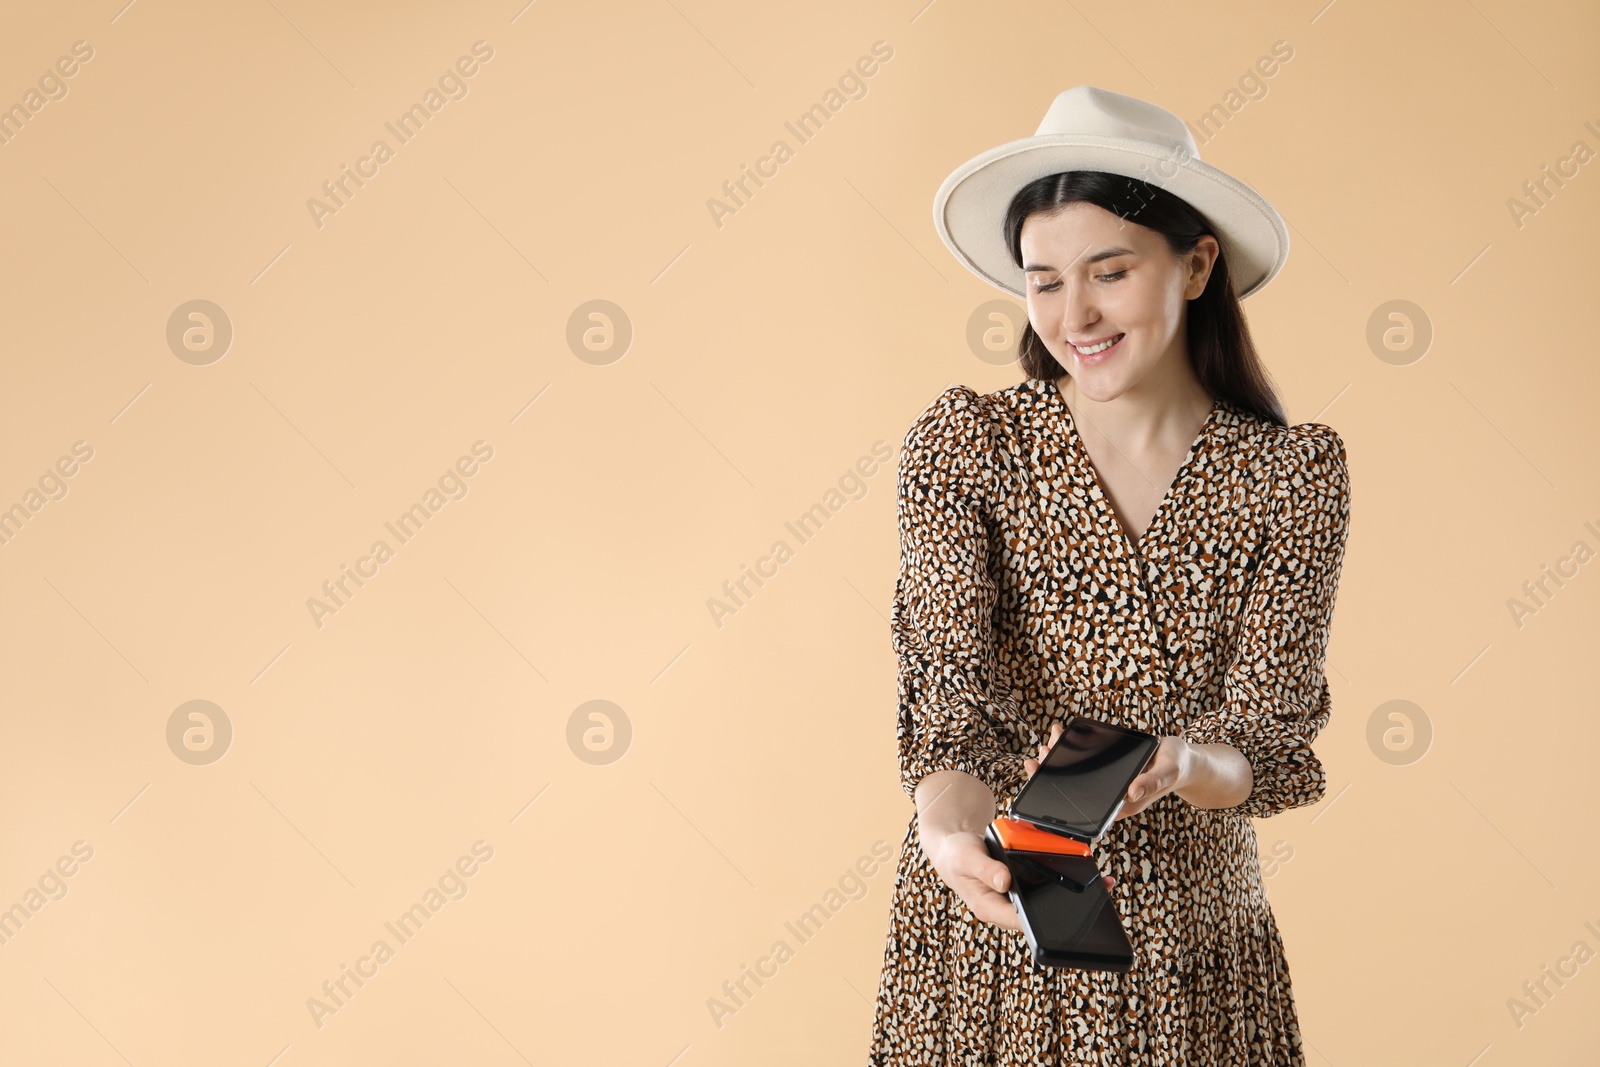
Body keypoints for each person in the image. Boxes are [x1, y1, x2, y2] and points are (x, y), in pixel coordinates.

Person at [868, 87, 1353, 1064]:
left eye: (1109, 271)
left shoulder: (1289, 474)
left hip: (1197, 955)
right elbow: (951, 710)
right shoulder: (970, 446)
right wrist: (945, 829)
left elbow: (1267, 734)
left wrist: (1180, 760)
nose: (1073, 313)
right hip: (995, 946)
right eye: (1043, 280)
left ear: (1197, 263)